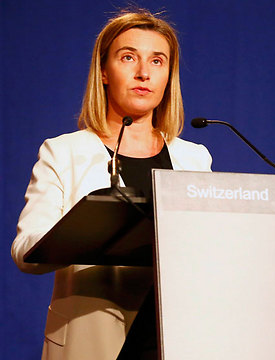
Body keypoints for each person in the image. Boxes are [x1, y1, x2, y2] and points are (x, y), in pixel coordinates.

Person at [11, 10, 212, 360]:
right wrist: (85, 231)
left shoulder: (194, 158)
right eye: (128, 57)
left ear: (168, 75)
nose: (143, 73)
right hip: (92, 339)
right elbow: (25, 251)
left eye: (157, 61)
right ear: (104, 72)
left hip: (175, 337)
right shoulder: (64, 152)